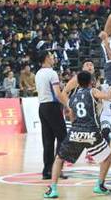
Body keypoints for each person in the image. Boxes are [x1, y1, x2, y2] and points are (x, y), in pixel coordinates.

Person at [43, 71, 111, 198]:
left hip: (76, 132)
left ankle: (53, 188)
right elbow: (107, 96)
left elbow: (72, 117)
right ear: (91, 82)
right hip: (91, 131)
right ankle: (99, 185)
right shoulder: (93, 91)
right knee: (107, 157)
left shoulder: (73, 98)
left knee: (59, 159)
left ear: (78, 83)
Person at [35, 51, 70, 180]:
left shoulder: (38, 73)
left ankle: (47, 171)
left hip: (42, 107)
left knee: (47, 140)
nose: (53, 58)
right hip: (53, 107)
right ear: (46, 59)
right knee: (63, 137)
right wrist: (67, 105)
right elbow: (57, 94)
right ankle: (57, 168)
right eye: (50, 56)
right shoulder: (52, 73)